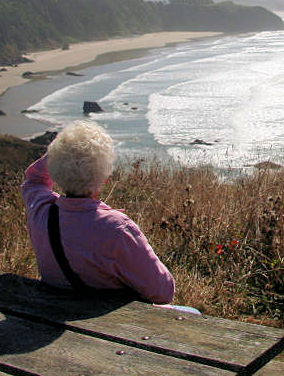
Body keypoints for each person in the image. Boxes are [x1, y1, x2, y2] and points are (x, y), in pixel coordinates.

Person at [21, 120, 176, 304]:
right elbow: (163, 291)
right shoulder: (117, 229)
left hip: (52, 310)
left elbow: (34, 178)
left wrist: (62, 152)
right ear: (104, 178)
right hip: (109, 326)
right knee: (194, 314)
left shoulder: (40, 210)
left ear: (55, 170)